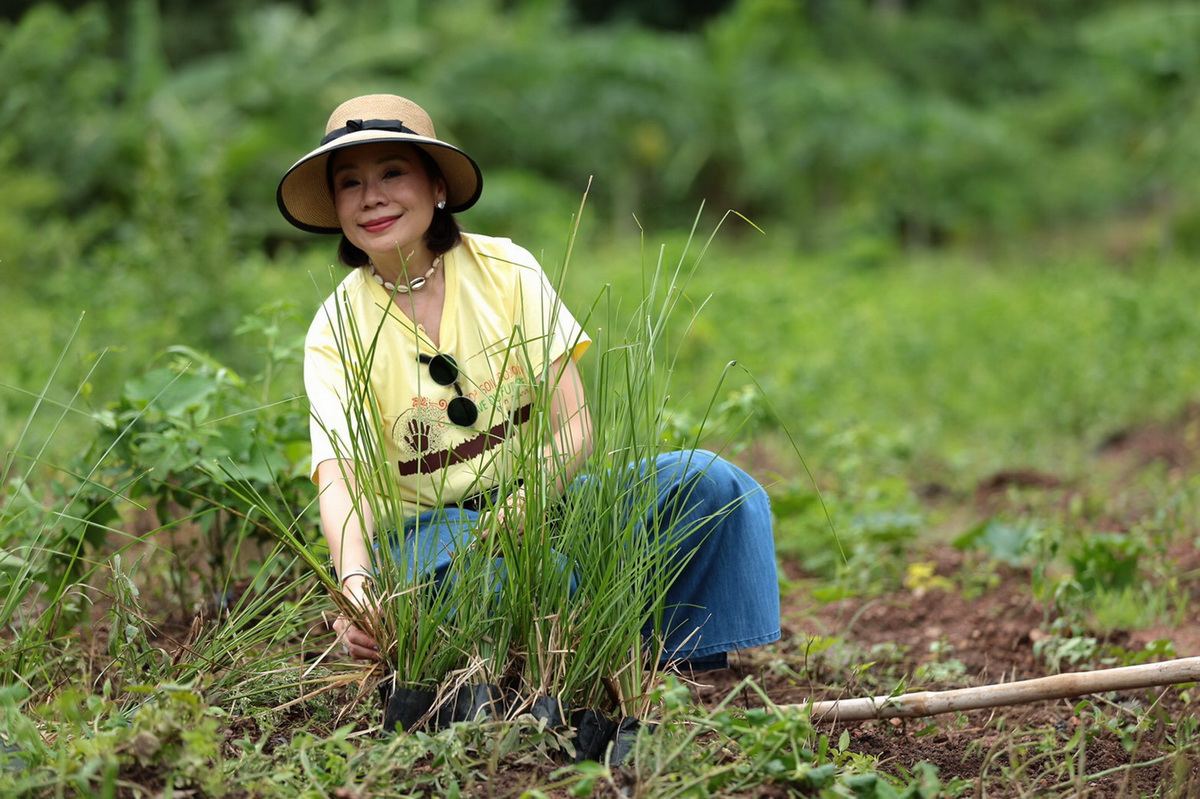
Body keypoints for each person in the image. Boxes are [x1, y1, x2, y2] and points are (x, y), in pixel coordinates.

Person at [276, 93, 780, 672]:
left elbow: (572, 427)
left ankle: (659, 669)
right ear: (337, 208)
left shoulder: (506, 271)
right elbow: (342, 484)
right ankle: (553, 668)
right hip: (429, 542)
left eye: (393, 172)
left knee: (708, 484)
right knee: (510, 576)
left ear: (438, 187)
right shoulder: (336, 329)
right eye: (350, 183)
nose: (373, 197)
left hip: (541, 501)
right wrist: (359, 591)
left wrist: (521, 507)